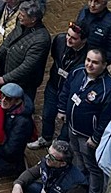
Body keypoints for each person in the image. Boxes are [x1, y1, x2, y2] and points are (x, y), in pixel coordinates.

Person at [57, 48, 111, 193]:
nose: (90, 64)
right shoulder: (77, 72)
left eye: (95, 62)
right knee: (78, 161)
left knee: (92, 167)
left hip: (88, 137)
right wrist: (62, 109)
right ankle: (80, 190)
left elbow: (107, 118)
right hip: (72, 129)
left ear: (104, 65)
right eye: (88, 60)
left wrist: (96, 137)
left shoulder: (109, 89)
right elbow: (66, 90)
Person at [30, 22, 90, 150]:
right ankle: (46, 138)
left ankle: (60, 146)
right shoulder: (59, 40)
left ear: (84, 40)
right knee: (47, 114)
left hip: (71, 93)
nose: (69, 39)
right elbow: (55, 56)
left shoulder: (87, 56)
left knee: (67, 120)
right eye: (68, 35)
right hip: (54, 85)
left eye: (74, 38)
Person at [0, 0, 50, 104]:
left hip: (25, 83)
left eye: (22, 15)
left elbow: (27, 66)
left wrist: (5, 79)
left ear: (33, 19)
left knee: (21, 107)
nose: (19, 16)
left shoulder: (41, 39)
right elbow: (9, 39)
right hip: (10, 74)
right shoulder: (21, 24)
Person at [74, 0, 111, 65]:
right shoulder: (84, 12)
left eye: (97, 2)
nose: (92, 5)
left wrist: (96, 64)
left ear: (104, 4)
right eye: (90, 0)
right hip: (76, 58)